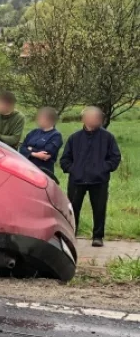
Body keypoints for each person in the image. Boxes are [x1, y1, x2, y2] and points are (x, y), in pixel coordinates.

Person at [60, 106, 121, 247]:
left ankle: (98, 237)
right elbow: (65, 159)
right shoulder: (74, 138)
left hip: (99, 181)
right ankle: (71, 236)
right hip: (77, 180)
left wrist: (102, 169)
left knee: (99, 209)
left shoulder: (108, 138)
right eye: (93, 116)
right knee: (73, 209)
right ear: (84, 118)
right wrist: (73, 169)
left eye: (98, 117)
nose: (96, 119)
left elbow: (115, 158)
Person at [20, 107, 63, 181]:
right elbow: (21, 148)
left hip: (44, 172)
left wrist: (29, 149)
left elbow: (45, 154)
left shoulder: (56, 136)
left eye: (42, 118)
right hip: (27, 169)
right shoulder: (34, 132)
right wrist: (35, 154)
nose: (38, 120)